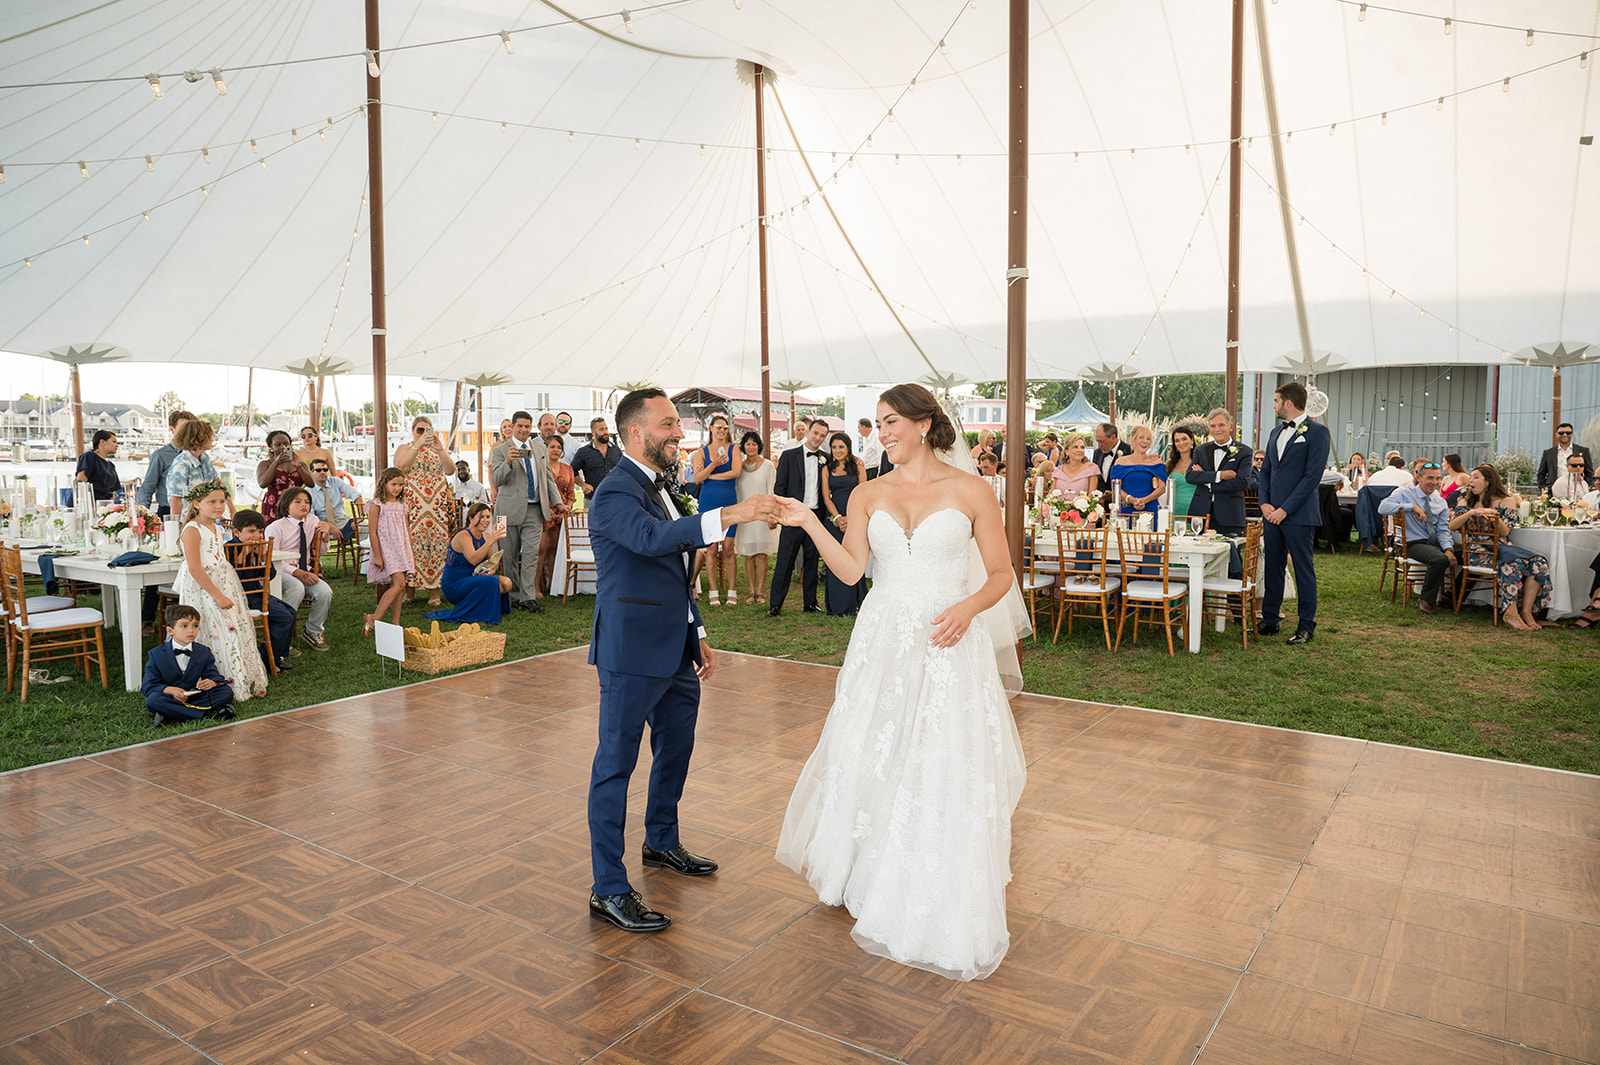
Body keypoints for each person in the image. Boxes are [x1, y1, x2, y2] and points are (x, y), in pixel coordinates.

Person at [774, 382, 1028, 981]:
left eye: (891, 422)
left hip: (948, 635)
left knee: (937, 749)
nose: (882, 432)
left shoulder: (971, 490)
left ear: (922, 424)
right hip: (882, 636)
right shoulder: (865, 492)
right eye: (878, 423)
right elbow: (853, 569)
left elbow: (999, 574)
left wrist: (968, 610)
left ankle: (928, 864)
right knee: (875, 743)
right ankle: (863, 863)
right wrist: (811, 522)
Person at [583, 387, 782, 934]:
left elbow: (674, 568)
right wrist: (729, 514)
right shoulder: (614, 492)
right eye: (669, 424)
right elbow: (652, 539)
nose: (679, 432)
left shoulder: (665, 485)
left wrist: (697, 631)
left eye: (677, 424)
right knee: (614, 767)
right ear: (634, 432)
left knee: (676, 749)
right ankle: (608, 888)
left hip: (676, 647)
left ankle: (661, 841)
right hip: (630, 652)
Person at [173, 480, 269, 702]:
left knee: (233, 629)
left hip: (224, 583)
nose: (218, 506)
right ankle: (212, 682)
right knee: (213, 630)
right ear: (196, 504)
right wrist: (218, 595)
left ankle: (236, 678)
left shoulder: (217, 528)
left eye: (222, 501)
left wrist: (227, 591)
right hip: (204, 589)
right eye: (212, 502)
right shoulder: (192, 530)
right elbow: (195, 568)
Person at [1258, 382, 1331, 645]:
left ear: (1288, 402)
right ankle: (1269, 620)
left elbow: (1312, 477)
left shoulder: (1318, 432)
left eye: (1276, 401)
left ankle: (1305, 625)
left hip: (1298, 514)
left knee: (1302, 569)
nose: (1274, 405)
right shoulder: (1276, 432)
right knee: (1272, 566)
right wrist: (1265, 504)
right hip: (1271, 514)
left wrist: (1284, 510)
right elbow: (1266, 471)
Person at [1449, 464, 1551, 631]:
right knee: (1510, 565)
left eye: (1476, 477)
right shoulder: (1466, 501)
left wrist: (1494, 517)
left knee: (1539, 562)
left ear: (1488, 481)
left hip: (1502, 547)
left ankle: (1526, 611)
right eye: (1471, 477)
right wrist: (1472, 513)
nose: (1470, 480)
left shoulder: (1507, 501)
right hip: (1476, 551)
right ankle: (1511, 615)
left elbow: (1504, 532)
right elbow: (1452, 526)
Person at [490, 410, 563, 613]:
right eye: (520, 426)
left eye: (527, 426)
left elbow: (547, 478)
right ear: (512, 427)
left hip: (535, 510)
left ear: (531, 428)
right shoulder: (500, 450)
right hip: (505, 511)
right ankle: (513, 596)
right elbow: (497, 480)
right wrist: (508, 462)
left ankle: (528, 598)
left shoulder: (540, 448)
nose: (523, 429)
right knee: (509, 555)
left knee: (531, 554)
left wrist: (558, 503)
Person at [139, 409, 196, 632]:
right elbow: (147, 487)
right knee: (161, 564)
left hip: (194, 514)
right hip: (167, 514)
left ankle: (182, 616)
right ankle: (147, 618)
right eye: (183, 427)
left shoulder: (197, 455)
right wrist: (142, 517)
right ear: (172, 429)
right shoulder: (162, 455)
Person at [767, 419, 831, 616]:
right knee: (785, 561)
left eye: (822, 435)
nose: (818, 438)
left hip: (815, 517)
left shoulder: (827, 459)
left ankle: (810, 603)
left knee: (812, 561)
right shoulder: (788, 456)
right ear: (808, 432)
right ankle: (775, 604)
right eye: (816, 433)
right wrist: (779, 513)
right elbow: (780, 487)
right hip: (793, 517)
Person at [1378, 462, 1457, 614]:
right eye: (1430, 478)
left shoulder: (1440, 502)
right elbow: (1382, 507)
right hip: (1410, 544)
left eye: (1438, 478)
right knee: (1439, 559)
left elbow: (1442, 530)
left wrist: (1448, 549)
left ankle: (1451, 596)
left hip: (1432, 543)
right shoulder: (1404, 494)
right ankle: (1426, 600)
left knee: (1465, 555)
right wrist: (1411, 507)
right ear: (1418, 477)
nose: (1434, 482)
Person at [393, 416, 454, 608]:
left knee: (436, 546)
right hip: (414, 506)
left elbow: (450, 470)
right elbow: (401, 468)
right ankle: (410, 590)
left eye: (427, 430)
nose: (423, 433)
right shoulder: (405, 448)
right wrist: (417, 445)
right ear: (412, 430)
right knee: (412, 547)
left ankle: (434, 591)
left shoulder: (438, 449)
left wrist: (441, 449)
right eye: (419, 430)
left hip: (436, 507)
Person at [226, 509, 295, 672]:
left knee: (290, 612)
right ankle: (267, 660)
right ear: (236, 532)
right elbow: (233, 578)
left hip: (258, 594)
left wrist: (263, 558)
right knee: (284, 617)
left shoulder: (258, 547)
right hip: (242, 597)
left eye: (260, 531)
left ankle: (273, 656)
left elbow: (269, 576)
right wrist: (243, 555)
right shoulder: (229, 548)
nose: (256, 536)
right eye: (251, 531)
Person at [142, 605, 235, 726]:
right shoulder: (156, 654)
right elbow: (148, 686)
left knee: (226, 692)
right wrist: (169, 690)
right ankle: (207, 714)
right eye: (184, 626)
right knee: (153, 700)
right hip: (170, 697)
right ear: (170, 631)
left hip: (194, 695)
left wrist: (212, 682)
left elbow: (214, 675)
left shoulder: (204, 652)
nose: (191, 630)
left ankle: (171, 714)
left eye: (195, 625)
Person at [265, 488, 333, 651]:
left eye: (307, 502)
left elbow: (321, 551)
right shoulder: (276, 527)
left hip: (304, 570)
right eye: (298, 501)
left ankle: (313, 631)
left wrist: (325, 537)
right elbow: (270, 558)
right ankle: (282, 636)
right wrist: (297, 573)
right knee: (296, 588)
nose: (304, 505)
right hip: (280, 571)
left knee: (325, 592)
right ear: (286, 505)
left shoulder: (313, 521)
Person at [426, 502, 513, 624]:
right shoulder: (463, 536)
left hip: (476, 579)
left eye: (488, 517)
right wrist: (491, 542)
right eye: (481, 517)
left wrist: (490, 572)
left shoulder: (487, 536)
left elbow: (491, 563)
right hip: (455, 584)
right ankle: (479, 610)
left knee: (507, 583)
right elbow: (473, 559)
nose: (485, 520)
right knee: (492, 582)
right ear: (471, 518)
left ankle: (480, 608)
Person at [691, 413, 740, 606]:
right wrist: (714, 464)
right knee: (710, 548)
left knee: (728, 548)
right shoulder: (703, 452)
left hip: (728, 500)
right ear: (710, 428)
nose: (721, 430)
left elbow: (736, 472)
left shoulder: (734, 449)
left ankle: (732, 590)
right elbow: (696, 478)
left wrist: (710, 476)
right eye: (718, 427)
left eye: (725, 428)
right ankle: (713, 591)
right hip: (708, 502)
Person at [820, 431, 868, 615]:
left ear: (848, 447)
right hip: (833, 519)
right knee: (835, 560)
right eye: (834, 447)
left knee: (854, 558)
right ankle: (838, 606)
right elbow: (826, 498)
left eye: (841, 446)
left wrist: (851, 517)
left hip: (856, 517)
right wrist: (839, 517)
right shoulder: (826, 469)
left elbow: (863, 493)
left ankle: (856, 603)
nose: (837, 450)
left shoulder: (858, 466)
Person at [364, 466, 414, 636]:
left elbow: (405, 530)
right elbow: (372, 531)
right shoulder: (377, 505)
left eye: (400, 485)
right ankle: (374, 617)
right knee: (399, 584)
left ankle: (396, 622)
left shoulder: (402, 505)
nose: (397, 488)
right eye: (393, 484)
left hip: (401, 548)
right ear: (384, 484)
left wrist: (409, 551)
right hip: (386, 549)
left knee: (399, 585)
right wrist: (378, 555)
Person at [1186, 408, 1252, 536]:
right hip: (1201, 514)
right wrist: (1220, 475)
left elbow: (1242, 483)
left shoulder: (1244, 451)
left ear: (1231, 427)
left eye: (1221, 425)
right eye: (1213, 426)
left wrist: (1208, 482)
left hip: (1230, 515)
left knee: (1230, 553)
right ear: (1209, 429)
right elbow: (1190, 476)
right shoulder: (1201, 450)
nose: (1217, 429)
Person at [734, 430, 778, 604]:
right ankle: (751, 590)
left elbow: (772, 491)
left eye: (754, 443)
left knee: (761, 554)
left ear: (758, 446)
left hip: (763, 514)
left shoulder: (767, 465)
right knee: (748, 554)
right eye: (747, 443)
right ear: (743, 447)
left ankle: (760, 591)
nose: (751, 447)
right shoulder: (739, 467)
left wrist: (772, 515)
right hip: (745, 515)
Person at [535, 436, 577, 597]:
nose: (556, 450)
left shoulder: (568, 469)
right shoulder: (541, 468)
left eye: (559, 447)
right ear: (546, 448)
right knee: (541, 549)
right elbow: (538, 491)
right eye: (552, 446)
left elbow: (571, 494)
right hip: (543, 513)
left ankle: (553, 584)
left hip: (562, 515)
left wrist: (565, 510)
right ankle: (536, 587)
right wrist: (549, 511)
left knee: (554, 549)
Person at [166, 418, 232, 522]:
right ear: (199, 438)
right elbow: (175, 501)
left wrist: (232, 510)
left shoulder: (204, 458)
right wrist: (176, 528)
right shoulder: (181, 464)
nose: (212, 439)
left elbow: (218, 484)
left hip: (208, 519)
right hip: (190, 522)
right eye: (209, 436)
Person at [1110, 426, 1166, 518]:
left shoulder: (1157, 462)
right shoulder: (1120, 462)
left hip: (1150, 509)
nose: (1145, 441)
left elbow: (1162, 488)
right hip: (1126, 509)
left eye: (1148, 439)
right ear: (1133, 439)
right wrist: (1131, 500)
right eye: (1141, 437)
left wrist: (1144, 500)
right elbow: (1115, 488)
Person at [255, 430, 310, 523]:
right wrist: (276, 462)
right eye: (278, 444)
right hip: (274, 503)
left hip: (295, 504)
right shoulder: (265, 464)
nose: (282, 447)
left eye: (285, 444)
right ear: (271, 446)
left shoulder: (301, 464)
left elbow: (311, 483)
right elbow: (263, 483)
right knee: (273, 534)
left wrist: (299, 467)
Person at [308, 460, 361, 540]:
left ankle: (366, 552)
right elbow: (310, 516)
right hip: (321, 524)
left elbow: (356, 495)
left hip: (343, 521)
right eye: (318, 470)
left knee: (367, 529)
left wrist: (361, 516)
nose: (322, 472)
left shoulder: (335, 481)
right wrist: (328, 525)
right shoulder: (308, 491)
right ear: (311, 472)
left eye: (325, 470)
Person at [1536, 423, 1593, 492]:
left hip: (1576, 491)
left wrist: (1584, 487)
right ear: (1556, 435)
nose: (1564, 435)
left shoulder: (1583, 451)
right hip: (1553, 491)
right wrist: (1545, 489)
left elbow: (1589, 472)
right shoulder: (1548, 453)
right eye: (1561, 433)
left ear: (1572, 434)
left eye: (1568, 433)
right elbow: (1541, 474)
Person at [572, 416, 621, 492]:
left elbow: (624, 469)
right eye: (601, 429)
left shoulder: (616, 450)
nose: (605, 432)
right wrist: (583, 484)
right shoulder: (583, 452)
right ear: (593, 432)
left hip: (614, 497)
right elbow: (571, 471)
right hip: (592, 498)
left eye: (606, 429)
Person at [76, 429, 121, 502]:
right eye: (113, 442)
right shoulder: (89, 456)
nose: (117, 445)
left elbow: (112, 491)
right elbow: (81, 482)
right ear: (102, 442)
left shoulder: (111, 465)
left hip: (104, 505)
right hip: (89, 503)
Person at [1164, 425, 1200, 517]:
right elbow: (1157, 482)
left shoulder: (1200, 462)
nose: (1181, 443)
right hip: (1174, 511)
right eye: (1177, 440)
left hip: (1196, 510)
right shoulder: (1170, 463)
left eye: (1184, 439)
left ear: (1192, 440)